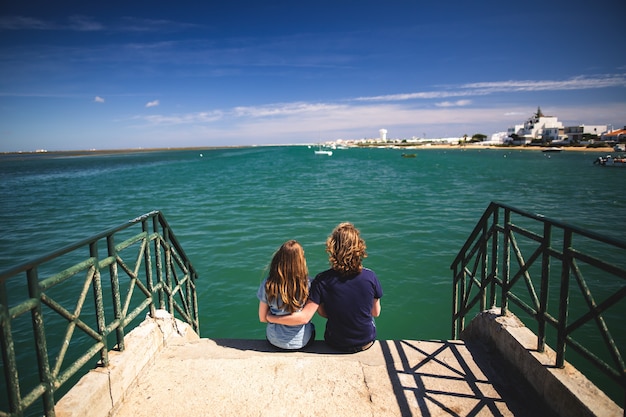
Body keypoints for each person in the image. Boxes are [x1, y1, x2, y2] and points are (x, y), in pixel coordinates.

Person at [267, 223, 382, 352]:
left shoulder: (322, 280)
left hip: (335, 342)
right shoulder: (370, 276)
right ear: (359, 248)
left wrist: (271, 318)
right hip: (365, 341)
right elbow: (375, 312)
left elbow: (321, 313)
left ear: (332, 248)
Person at [257, 240, 315, 350]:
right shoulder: (308, 284)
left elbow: (262, 318)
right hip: (301, 342)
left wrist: (271, 317)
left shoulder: (268, 284)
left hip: (274, 340)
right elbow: (305, 318)